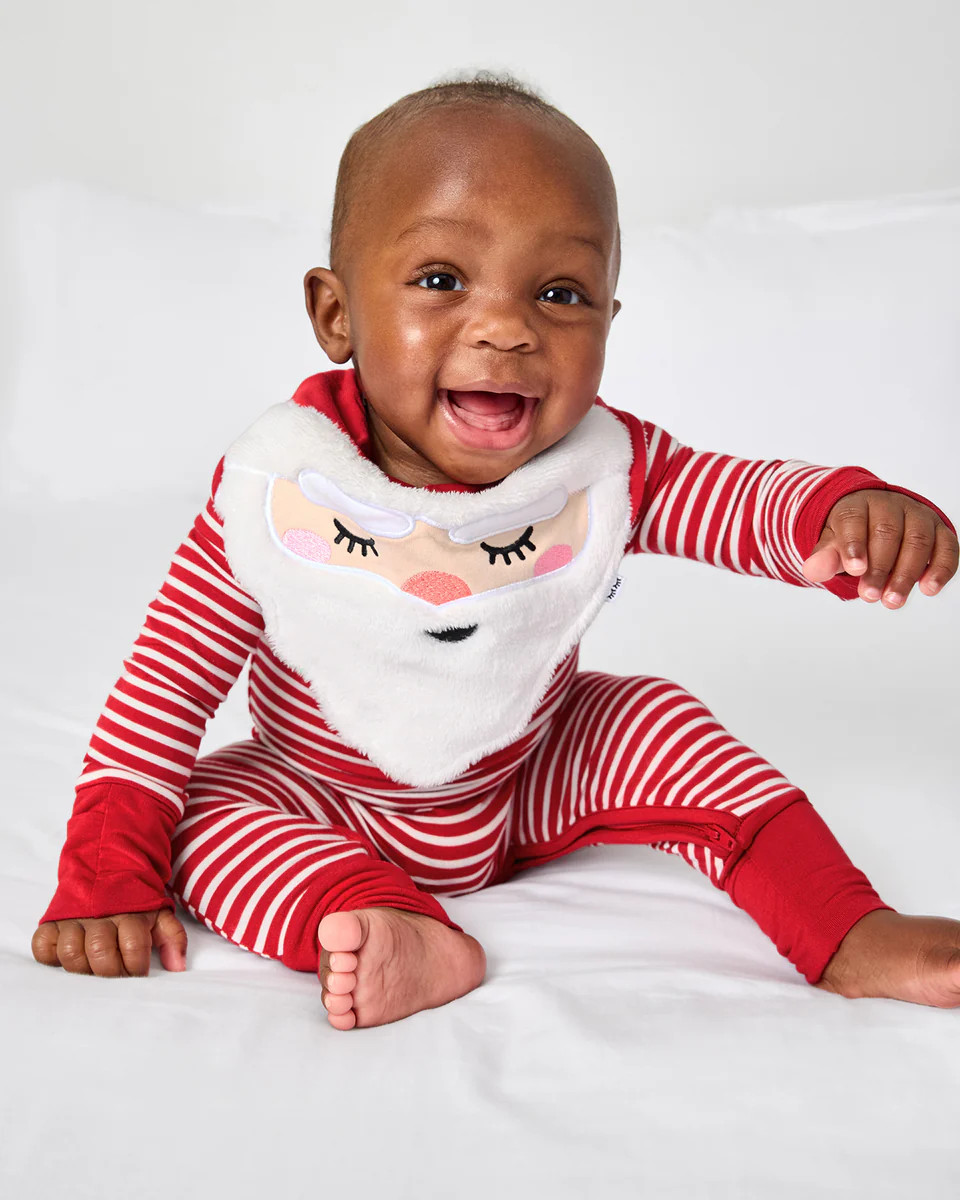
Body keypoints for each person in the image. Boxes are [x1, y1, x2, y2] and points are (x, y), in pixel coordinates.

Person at [31, 72, 960, 1031]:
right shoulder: (278, 488)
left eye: (560, 293)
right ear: (336, 314)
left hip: (528, 776)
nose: (509, 328)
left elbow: (735, 497)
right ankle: (382, 917)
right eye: (441, 280)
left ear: (608, 320)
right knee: (202, 809)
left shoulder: (596, 466)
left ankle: (846, 930)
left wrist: (842, 515)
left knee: (655, 717)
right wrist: (107, 875)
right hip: (320, 792)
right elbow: (163, 687)